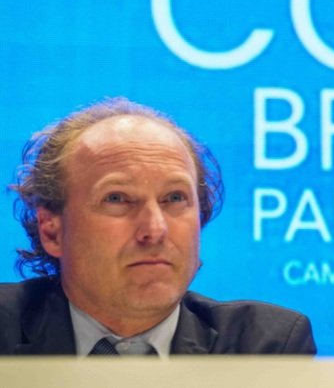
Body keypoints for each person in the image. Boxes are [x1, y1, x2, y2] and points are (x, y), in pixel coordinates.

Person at [0, 98, 316, 356]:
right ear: (52, 231)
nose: (155, 229)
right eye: (117, 198)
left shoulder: (263, 348)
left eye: (174, 198)